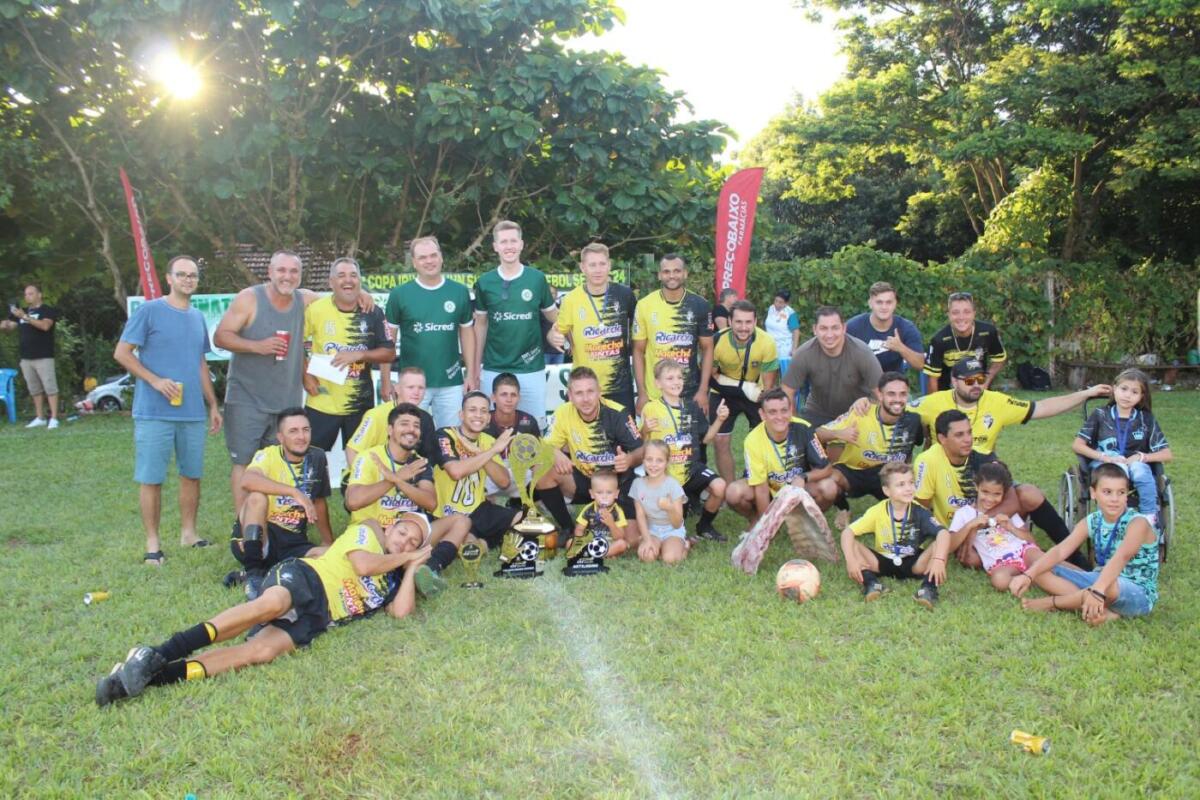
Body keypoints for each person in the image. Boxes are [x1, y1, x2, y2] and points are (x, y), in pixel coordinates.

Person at [95, 515, 433, 707]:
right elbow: (362, 565)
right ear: (390, 527)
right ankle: (158, 651)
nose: (404, 541)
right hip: (306, 578)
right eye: (403, 532)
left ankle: (149, 678)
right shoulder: (367, 533)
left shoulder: (393, 578)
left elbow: (401, 613)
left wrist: (410, 571)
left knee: (261, 651)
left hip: (321, 617)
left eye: (413, 543)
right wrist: (407, 557)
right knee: (270, 605)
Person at [215, 250, 372, 513]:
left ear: (300, 276)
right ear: (270, 272)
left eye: (293, 271)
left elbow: (339, 296)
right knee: (244, 462)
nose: (287, 276)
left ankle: (273, 520)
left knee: (279, 462)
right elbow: (221, 337)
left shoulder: (305, 299)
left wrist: (361, 293)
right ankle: (244, 525)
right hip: (246, 399)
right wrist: (257, 346)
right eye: (281, 270)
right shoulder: (249, 299)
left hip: (286, 401)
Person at [114, 257, 223, 565]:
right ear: (169, 278)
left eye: (193, 275)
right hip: (154, 412)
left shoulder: (197, 317)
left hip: (192, 412)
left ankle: (189, 534)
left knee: (192, 475)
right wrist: (155, 380)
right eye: (182, 274)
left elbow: (200, 363)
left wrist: (213, 404)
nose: (188, 279)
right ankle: (153, 543)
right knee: (152, 478)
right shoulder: (149, 311)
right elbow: (122, 352)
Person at [913, 409, 1087, 569]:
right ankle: (1028, 556)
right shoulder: (927, 461)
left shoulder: (983, 455)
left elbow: (1012, 501)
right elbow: (920, 508)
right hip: (958, 527)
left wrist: (977, 525)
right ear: (942, 439)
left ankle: (1072, 554)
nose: (968, 439)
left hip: (992, 520)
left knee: (1029, 493)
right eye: (959, 435)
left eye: (969, 432)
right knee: (971, 560)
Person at [1009, 463, 1159, 624]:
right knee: (1039, 569)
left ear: (1126, 495)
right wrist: (1028, 575)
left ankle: (1053, 603)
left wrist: (1098, 589)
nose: (1114, 499)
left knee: (1109, 586)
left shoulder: (1138, 523)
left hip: (1136, 592)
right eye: (1107, 492)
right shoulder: (1093, 520)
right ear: (1093, 493)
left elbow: (1122, 556)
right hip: (1100, 579)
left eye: (1121, 492)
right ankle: (1102, 610)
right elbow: (1060, 551)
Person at [345, 403, 450, 596]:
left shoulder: (419, 463)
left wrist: (399, 481)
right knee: (371, 526)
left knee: (460, 521)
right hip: (375, 534)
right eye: (404, 424)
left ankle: (430, 568)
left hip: (408, 536)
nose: (411, 430)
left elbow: (431, 503)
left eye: (416, 426)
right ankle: (412, 568)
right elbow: (353, 502)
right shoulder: (369, 457)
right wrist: (394, 478)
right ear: (390, 430)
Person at [227, 408, 333, 594]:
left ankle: (266, 572)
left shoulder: (317, 457)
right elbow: (247, 480)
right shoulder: (267, 455)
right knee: (257, 497)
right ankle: (253, 573)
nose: (301, 436)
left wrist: (327, 541)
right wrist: (293, 492)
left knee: (331, 558)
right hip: (261, 535)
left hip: (293, 541)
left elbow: (318, 502)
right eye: (293, 431)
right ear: (280, 437)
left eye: (305, 430)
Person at [910, 357, 1111, 455]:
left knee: (1029, 496)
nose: (976, 385)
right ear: (954, 381)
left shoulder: (997, 401)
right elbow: (898, 412)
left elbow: (1042, 407)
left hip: (984, 473)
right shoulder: (933, 402)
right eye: (969, 381)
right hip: (942, 473)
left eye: (980, 379)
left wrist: (1085, 394)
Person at [472, 220, 558, 426]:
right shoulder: (485, 282)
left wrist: (557, 332)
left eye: (513, 241)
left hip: (530, 367)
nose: (509, 246)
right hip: (494, 367)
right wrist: (475, 369)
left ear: (521, 244)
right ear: (495, 246)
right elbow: (480, 325)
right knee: (489, 428)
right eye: (503, 242)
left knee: (534, 427)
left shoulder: (536, 279)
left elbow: (554, 316)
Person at [537, 366, 644, 532]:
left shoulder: (618, 413)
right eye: (579, 393)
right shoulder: (563, 412)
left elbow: (642, 450)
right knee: (542, 469)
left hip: (617, 484)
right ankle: (568, 529)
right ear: (570, 395)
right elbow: (543, 446)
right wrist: (554, 452)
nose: (585, 399)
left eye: (590, 391)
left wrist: (629, 459)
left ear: (599, 392)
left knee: (630, 539)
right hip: (585, 481)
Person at [302, 257, 393, 452]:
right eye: (341, 275)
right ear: (331, 282)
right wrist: (305, 374)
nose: (348, 280)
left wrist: (359, 354)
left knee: (360, 461)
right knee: (309, 459)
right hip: (321, 400)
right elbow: (295, 343)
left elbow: (389, 352)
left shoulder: (372, 311)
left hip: (360, 404)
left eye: (353, 275)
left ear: (360, 281)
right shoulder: (316, 310)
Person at [385, 236, 476, 428]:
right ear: (414, 262)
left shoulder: (459, 292)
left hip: (451, 381)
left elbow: (467, 334)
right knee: (410, 436)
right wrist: (386, 380)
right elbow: (388, 341)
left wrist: (471, 373)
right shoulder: (399, 294)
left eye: (433, 255)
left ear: (441, 257)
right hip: (412, 384)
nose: (429, 261)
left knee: (450, 436)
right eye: (423, 257)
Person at [818, 371, 924, 528]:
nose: (897, 399)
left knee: (909, 517)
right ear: (880, 395)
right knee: (827, 485)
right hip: (853, 472)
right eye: (891, 394)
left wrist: (906, 478)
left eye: (902, 394)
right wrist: (838, 433)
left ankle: (890, 505)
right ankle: (843, 508)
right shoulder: (860, 413)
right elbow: (817, 434)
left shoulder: (914, 420)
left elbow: (913, 449)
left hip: (888, 473)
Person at [839, 462, 952, 609]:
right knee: (853, 545)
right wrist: (851, 561)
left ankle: (928, 588)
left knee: (939, 545)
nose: (908, 488)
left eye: (911, 482)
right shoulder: (877, 511)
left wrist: (938, 560)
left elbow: (943, 533)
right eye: (901, 484)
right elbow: (847, 532)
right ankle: (871, 583)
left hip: (913, 563)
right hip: (882, 560)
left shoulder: (920, 512)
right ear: (886, 490)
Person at [641, 360, 727, 541]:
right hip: (665, 472)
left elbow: (706, 439)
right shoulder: (651, 408)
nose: (676, 382)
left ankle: (704, 526)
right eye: (670, 378)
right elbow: (641, 444)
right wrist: (645, 430)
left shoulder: (692, 407)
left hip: (691, 467)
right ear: (658, 383)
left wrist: (719, 419)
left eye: (679, 377)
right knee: (675, 524)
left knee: (720, 487)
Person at [1072, 368, 1172, 524]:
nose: (1127, 395)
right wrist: (1104, 457)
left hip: (1135, 464)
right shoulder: (1100, 414)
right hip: (1104, 464)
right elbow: (1078, 445)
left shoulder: (1146, 419)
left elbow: (1167, 454)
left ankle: (1149, 518)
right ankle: (1110, 519)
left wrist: (1141, 457)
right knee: (1117, 471)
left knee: (1140, 470)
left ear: (1141, 396)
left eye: (1134, 392)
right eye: (1124, 389)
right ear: (1114, 389)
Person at [725, 388, 837, 524]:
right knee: (733, 492)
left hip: (797, 487)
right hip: (767, 490)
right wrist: (767, 525)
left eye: (784, 410)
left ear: (791, 410)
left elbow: (826, 469)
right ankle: (756, 520)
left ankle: (802, 521)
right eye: (772, 412)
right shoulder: (752, 440)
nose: (779, 417)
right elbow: (761, 489)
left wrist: (804, 477)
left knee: (829, 487)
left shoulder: (804, 428)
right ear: (762, 414)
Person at [429, 391, 522, 555]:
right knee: (468, 547)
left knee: (524, 520)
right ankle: (480, 542)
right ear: (461, 415)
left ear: (488, 418)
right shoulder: (444, 435)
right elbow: (455, 472)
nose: (478, 415)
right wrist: (491, 452)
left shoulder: (488, 440)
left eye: (483, 411)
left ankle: (483, 542)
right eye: (472, 410)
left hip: (478, 509)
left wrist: (480, 452)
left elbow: (504, 482)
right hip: (449, 513)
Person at [548, 243, 637, 411]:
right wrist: (553, 337)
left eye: (602, 264)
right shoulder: (571, 300)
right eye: (592, 265)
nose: (598, 270)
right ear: (583, 267)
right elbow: (556, 332)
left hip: (619, 387)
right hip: (585, 387)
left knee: (624, 429)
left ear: (609, 265)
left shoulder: (625, 295)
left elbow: (640, 329)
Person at [632, 254, 714, 416]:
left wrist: (703, 390)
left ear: (685, 273)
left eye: (677, 271)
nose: (672, 276)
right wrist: (642, 393)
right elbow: (638, 351)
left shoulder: (700, 305)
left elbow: (708, 348)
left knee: (693, 434)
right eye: (666, 271)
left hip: (689, 393)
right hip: (656, 393)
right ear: (659, 275)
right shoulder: (644, 305)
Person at [709, 300, 779, 484]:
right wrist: (742, 387)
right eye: (738, 322)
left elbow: (768, 386)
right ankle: (730, 489)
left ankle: (754, 482)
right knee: (720, 441)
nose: (743, 327)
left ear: (755, 321)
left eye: (748, 322)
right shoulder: (717, 340)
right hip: (723, 392)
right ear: (729, 321)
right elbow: (710, 376)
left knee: (761, 440)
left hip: (755, 392)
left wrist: (759, 396)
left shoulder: (767, 342)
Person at [948, 461, 1043, 592]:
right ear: (976, 486)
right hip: (1002, 563)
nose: (990, 499)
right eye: (985, 492)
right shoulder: (964, 513)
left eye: (997, 494)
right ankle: (1033, 579)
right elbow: (950, 545)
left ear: (1004, 493)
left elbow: (1031, 541)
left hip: (1023, 551)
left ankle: (1060, 574)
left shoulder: (1004, 510)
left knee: (1043, 560)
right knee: (999, 580)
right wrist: (970, 526)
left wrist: (1011, 527)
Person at [781, 306, 881, 428]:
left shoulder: (862, 352)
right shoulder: (803, 354)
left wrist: (869, 404)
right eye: (823, 328)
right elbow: (787, 392)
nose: (829, 335)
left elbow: (881, 393)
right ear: (815, 329)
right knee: (803, 435)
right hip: (817, 413)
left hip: (856, 412)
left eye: (835, 328)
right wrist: (794, 424)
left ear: (844, 328)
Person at [344, 367, 438, 475]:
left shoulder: (425, 418)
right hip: (371, 476)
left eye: (421, 388)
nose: (416, 392)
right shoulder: (376, 415)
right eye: (410, 387)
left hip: (403, 477)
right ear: (397, 389)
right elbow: (352, 450)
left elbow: (427, 459)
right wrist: (363, 478)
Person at [2, 283, 60, 428]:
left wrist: (25, 317)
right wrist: (5, 325)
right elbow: (9, 327)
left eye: (31, 293)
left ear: (39, 295)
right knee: (34, 389)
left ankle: (54, 418)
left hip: (44, 356)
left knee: (50, 387)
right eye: (26, 294)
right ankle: (40, 417)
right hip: (26, 357)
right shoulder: (22, 312)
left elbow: (45, 326)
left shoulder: (47, 310)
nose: (27, 296)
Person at [923, 291, 1006, 391]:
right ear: (949, 315)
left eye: (966, 312)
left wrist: (986, 380)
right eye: (955, 312)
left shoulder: (988, 332)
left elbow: (999, 359)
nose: (961, 317)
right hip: (949, 392)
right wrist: (937, 401)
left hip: (978, 389)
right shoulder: (939, 340)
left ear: (974, 313)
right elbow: (932, 379)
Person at [484, 372, 541, 503]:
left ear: (519, 397)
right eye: (504, 394)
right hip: (491, 475)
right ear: (493, 397)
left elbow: (537, 459)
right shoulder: (483, 421)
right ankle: (487, 507)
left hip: (520, 475)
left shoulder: (528, 421)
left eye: (513, 395)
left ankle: (523, 503)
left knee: (542, 471)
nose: (509, 400)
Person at [844, 281, 924, 375]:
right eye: (879, 302)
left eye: (889, 302)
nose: (884, 307)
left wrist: (901, 348)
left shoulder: (906, 328)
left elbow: (920, 364)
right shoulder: (853, 327)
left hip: (893, 381)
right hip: (861, 381)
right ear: (870, 303)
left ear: (895, 304)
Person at [631, 440, 689, 565]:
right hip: (652, 529)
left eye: (659, 460)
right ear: (643, 460)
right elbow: (640, 516)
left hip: (672, 529)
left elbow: (677, 523)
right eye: (649, 459)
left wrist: (670, 508)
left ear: (667, 462)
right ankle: (659, 546)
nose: (653, 465)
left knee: (670, 559)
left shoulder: (673, 485)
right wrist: (647, 540)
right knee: (647, 557)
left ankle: (685, 546)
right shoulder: (637, 484)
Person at [568, 469, 634, 559]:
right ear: (592, 494)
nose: (604, 496)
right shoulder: (588, 509)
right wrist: (581, 540)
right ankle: (595, 553)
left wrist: (611, 523)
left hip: (609, 544)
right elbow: (579, 529)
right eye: (599, 492)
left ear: (616, 494)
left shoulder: (617, 511)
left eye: (609, 492)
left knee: (622, 544)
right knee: (570, 542)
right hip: (591, 543)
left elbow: (620, 537)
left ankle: (595, 555)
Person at [763, 289, 800, 376]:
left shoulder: (790, 313)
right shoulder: (771, 308)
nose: (777, 304)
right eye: (776, 300)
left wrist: (794, 349)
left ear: (786, 303)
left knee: (785, 375)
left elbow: (796, 331)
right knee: (769, 374)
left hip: (784, 349)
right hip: (770, 347)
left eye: (780, 302)